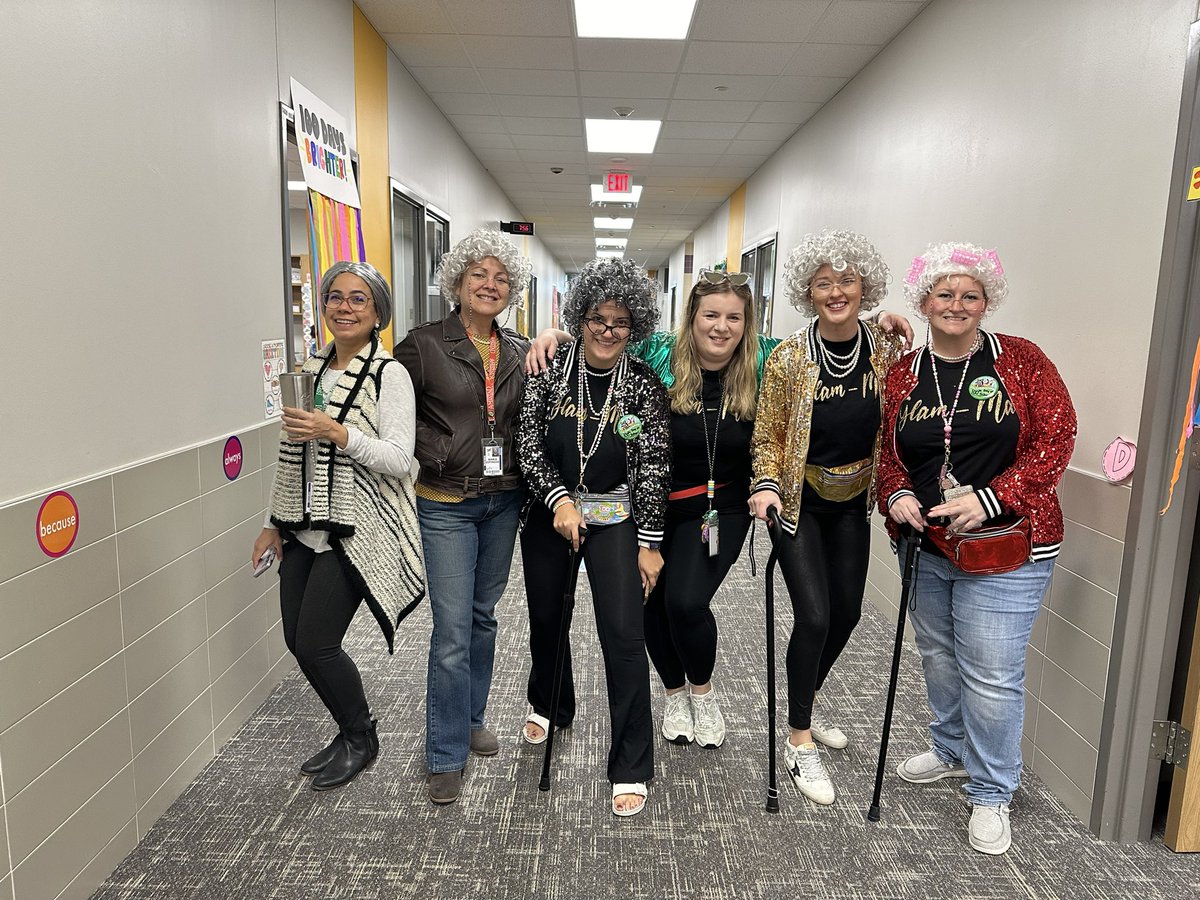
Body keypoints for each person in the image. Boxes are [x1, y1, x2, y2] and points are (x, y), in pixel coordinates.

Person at [528, 273, 912, 751]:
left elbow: (822, 333)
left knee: (686, 602)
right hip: (651, 505)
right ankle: (673, 692)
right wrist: (553, 335)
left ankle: (703, 692)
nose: (721, 326)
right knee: (648, 603)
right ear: (692, 318)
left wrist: (873, 319)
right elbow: (605, 337)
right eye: (711, 315)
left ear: (747, 323)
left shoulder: (766, 357)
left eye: (734, 317)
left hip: (722, 508)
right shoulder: (658, 353)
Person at [878, 242, 1075, 855]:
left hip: (1008, 546)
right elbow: (890, 453)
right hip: (930, 547)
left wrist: (991, 498)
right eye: (944, 293)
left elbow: (1057, 438)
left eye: (970, 294)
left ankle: (992, 791)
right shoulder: (904, 371)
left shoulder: (1021, 361)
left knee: (991, 673)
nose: (957, 304)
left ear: (987, 301)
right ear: (924, 301)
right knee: (937, 655)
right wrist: (896, 495)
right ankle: (951, 749)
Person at [252, 260, 424, 792]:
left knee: (318, 643)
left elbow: (401, 459)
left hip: (358, 530)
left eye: (358, 299)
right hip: (303, 525)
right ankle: (352, 731)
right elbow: (292, 458)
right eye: (335, 297)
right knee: (296, 640)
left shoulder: (388, 375)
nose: (344, 307)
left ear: (377, 313)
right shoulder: (310, 369)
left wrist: (339, 432)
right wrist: (272, 524)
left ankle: (360, 735)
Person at [749, 229, 905, 806]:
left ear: (865, 287)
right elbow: (767, 434)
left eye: (846, 281)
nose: (835, 291)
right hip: (798, 504)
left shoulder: (888, 351)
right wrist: (765, 486)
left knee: (847, 615)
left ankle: (803, 707)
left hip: (853, 506)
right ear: (807, 293)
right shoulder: (790, 357)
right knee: (813, 617)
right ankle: (798, 741)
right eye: (823, 284)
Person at [516, 257, 670, 817]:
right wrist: (557, 500)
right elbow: (527, 443)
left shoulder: (644, 384)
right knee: (547, 619)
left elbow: (652, 463)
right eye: (598, 318)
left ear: (635, 328)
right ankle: (551, 702)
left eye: (621, 322)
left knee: (624, 636)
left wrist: (650, 544)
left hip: (617, 522)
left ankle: (631, 761)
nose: (608, 331)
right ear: (579, 317)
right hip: (549, 514)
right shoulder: (549, 369)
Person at [394, 228, 532, 805]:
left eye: (501, 278)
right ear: (457, 281)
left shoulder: (523, 350)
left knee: (482, 617)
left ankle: (471, 717)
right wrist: (433, 447)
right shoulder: (423, 345)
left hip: (504, 501)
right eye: (479, 275)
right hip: (446, 502)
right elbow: (391, 412)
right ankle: (445, 753)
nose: (490, 285)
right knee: (450, 630)